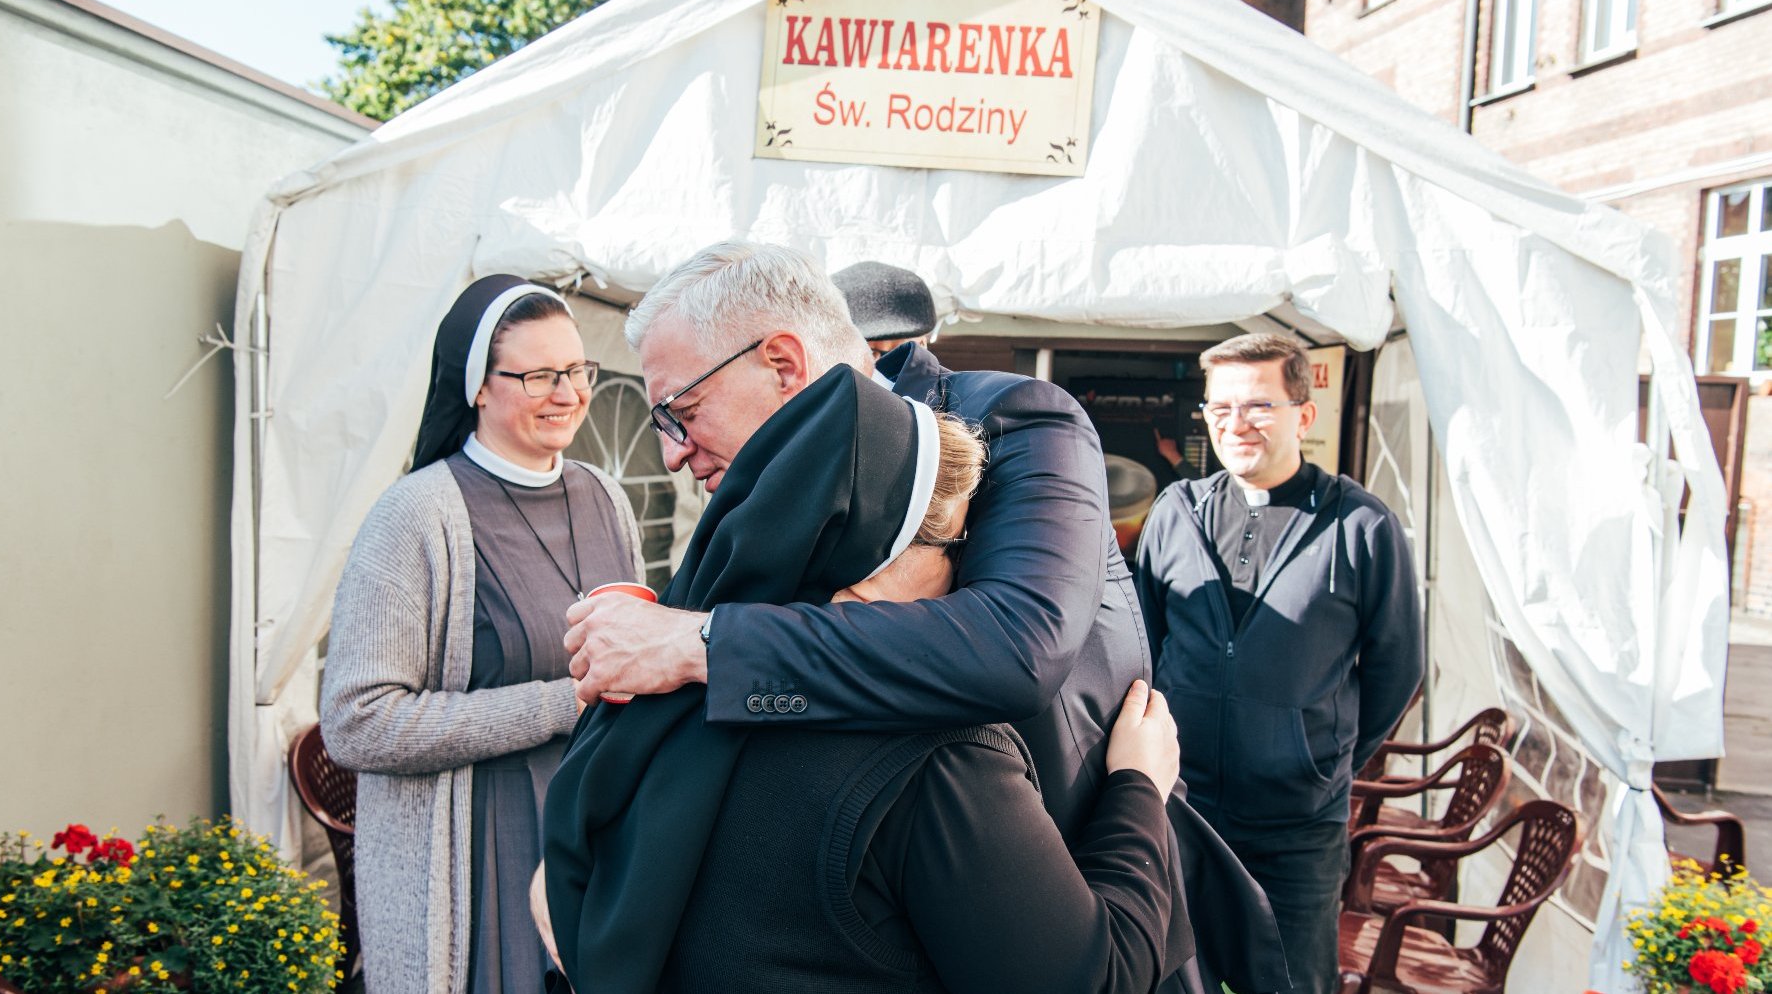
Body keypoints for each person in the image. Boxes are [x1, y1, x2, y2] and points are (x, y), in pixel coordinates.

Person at [561, 246, 1285, 994]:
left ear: (782, 364)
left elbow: (1018, 647)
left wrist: (700, 643)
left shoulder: (1012, 421)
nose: (672, 455)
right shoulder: (780, 542)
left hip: (1062, 872)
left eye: (682, 412)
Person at [319, 276, 644, 994]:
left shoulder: (605, 498)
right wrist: (565, 703)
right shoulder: (415, 515)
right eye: (538, 375)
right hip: (480, 853)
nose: (568, 393)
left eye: (577, 370)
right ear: (477, 387)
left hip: (602, 846)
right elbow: (357, 723)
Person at [1133, 332, 1425, 994]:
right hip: (1184, 810)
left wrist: (1319, 760)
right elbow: (1142, 647)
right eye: (1221, 408)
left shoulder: (1362, 528)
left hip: (1296, 827)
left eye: (1260, 406)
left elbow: (1397, 670)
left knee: (1292, 983)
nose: (1237, 425)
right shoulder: (1176, 513)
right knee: (1170, 978)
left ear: (1304, 413)